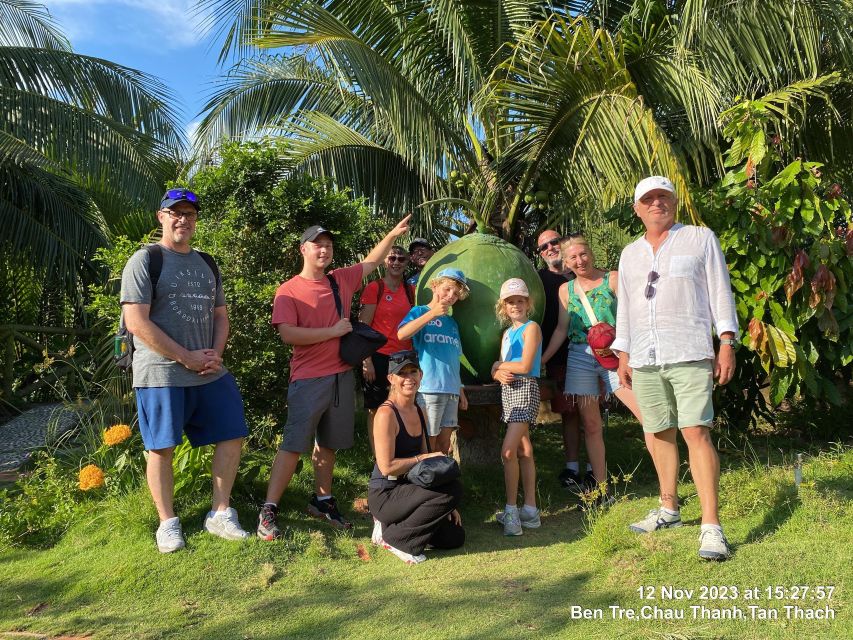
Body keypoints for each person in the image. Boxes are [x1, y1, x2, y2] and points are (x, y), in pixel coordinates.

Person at [258, 216, 411, 540]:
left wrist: (393, 234)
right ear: (304, 249)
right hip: (308, 379)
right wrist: (332, 331)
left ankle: (323, 500)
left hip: (341, 376)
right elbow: (287, 334)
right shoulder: (289, 291)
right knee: (293, 445)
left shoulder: (339, 280)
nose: (324, 250)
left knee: (328, 444)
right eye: (318, 244)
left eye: (328, 245)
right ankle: (269, 508)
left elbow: (370, 262)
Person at [613, 176, 738, 561]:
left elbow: (720, 291)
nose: (656, 204)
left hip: (689, 349)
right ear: (637, 208)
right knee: (658, 431)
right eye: (647, 199)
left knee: (695, 431)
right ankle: (669, 509)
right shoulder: (630, 253)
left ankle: (711, 526)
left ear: (674, 202)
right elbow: (627, 307)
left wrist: (727, 342)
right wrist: (623, 353)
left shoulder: (700, 238)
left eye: (663, 197)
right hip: (646, 356)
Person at [121, 188, 250, 553]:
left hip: (208, 371)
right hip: (161, 372)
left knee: (232, 431)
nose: (183, 220)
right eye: (175, 213)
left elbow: (221, 316)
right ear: (161, 217)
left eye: (190, 214)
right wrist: (186, 357)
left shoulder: (206, 262)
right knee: (161, 447)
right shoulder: (145, 260)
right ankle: (168, 522)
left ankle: (220, 513)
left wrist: (213, 357)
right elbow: (136, 321)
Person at [542, 235, 644, 507]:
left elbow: (632, 317)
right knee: (590, 425)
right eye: (573, 257)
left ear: (591, 252)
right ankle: (601, 489)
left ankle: (668, 475)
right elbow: (562, 329)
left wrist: (628, 355)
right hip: (580, 356)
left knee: (643, 413)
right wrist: (542, 360)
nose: (580, 261)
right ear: (566, 262)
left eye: (583, 254)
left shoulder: (612, 279)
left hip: (616, 354)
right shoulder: (566, 290)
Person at [369, 350, 464, 564]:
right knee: (453, 490)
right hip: (386, 494)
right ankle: (396, 539)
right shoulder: (385, 414)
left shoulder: (419, 409)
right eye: (402, 373)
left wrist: (448, 506)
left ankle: (391, 527)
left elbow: (428, 464)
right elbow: (387, 467)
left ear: (421, 375)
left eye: (413, 372)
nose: (409, 378)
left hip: (411, 489)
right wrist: (421, 458)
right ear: (391, 378)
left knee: (454, 537)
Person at [397, 268, 469, 454]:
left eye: (455, 293)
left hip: (451, 390)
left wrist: (460, 388)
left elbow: (454, 358)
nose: (451, 295)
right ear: (435, 286)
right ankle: (423, 481)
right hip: (429, 388)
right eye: (447, 289)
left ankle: (440, 480)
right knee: (428, 443)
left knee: (444, 445)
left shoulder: (453, 324)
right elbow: (402, 333)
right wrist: (432, 313)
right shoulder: (419, 311)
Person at [491, 279, 543, 536]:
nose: (516, 305)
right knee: (524, 449)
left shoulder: (531, 328)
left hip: (525, 390)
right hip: (508, 392)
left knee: (508, 451)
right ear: (504, 306)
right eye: (510, 302)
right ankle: (530, 511)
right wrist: (497, 370)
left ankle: (511, 509)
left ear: (528, 303)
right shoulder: (507, 333)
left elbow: (524, 366)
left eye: (520, 300)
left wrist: (497, 367)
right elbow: (500, 366)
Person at [536, 229, 583, 490]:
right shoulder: (539, 281)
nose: (551, 248)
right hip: (558, 356)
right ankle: (572, 466)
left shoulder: (582, 271)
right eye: (544, 247)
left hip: (592, 353)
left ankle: (595, 467)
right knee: (569, 412)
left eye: (554, 242)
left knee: (593, 413)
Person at [359, 246, 415, 449]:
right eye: (392, 258)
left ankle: (397, 453)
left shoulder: (411, 291)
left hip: (404, 358)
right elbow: (363, 327)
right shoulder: (375, 288)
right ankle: (378, 458)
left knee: (402, 407)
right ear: (385, 261)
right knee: (376, 409)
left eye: (401, 259)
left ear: (407, 263)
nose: (396, 262)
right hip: (378, 356)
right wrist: (366, 361)